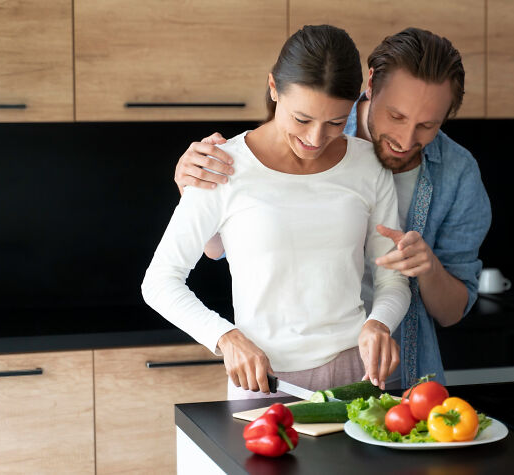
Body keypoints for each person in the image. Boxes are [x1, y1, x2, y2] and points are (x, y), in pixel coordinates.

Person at [173, 27, 492, 389]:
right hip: (276, 367)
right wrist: (193, 190)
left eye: (427, 125)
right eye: (396, 116)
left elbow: (450, 312)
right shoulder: (310, 119)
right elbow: (229, 247)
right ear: (370, 85)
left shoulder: (454, 173)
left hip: (393, 368)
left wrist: (426, 268)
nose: (405, 140)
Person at [142, 25, 411, 399]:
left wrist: (379, 323)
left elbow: (392, 278)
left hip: (360, 376)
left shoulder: (369, 165)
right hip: (266, 380)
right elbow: (159, 281)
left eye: (335, 122)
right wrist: (225, 337)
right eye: (302, 119)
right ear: (273, 88)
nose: (315, 139)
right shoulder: (221, 167)